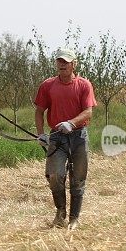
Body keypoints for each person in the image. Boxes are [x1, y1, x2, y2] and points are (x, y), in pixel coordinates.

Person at [34, 48, 97, 229]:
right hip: (57, 137)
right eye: (59, 61)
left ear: (73, 64)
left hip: (78, 136)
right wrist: (41, 134)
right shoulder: (48, 85)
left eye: (66, 62)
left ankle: (74, 218)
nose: (62, 65)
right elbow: (39, 111)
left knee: (77, 178)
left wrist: (71, 122)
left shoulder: (84, 85)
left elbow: (88, 111)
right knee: (55, 176)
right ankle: (60, 211)